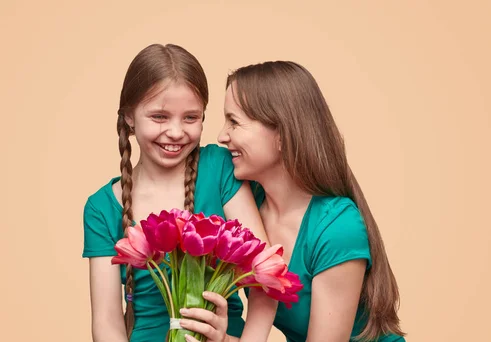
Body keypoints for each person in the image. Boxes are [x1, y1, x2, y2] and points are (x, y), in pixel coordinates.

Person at [82, 44, 275, 342]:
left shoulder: (220, 168)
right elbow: (107, 323)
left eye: (190, 117)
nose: (175, 132)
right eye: (159, 117)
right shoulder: (101, 208)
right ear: (130, 117)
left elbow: (264, 272)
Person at [212, 61, 407, 341]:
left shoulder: (337, 226)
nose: (222, 136)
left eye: (235, 122)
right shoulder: (246, 206)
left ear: (281, 134)